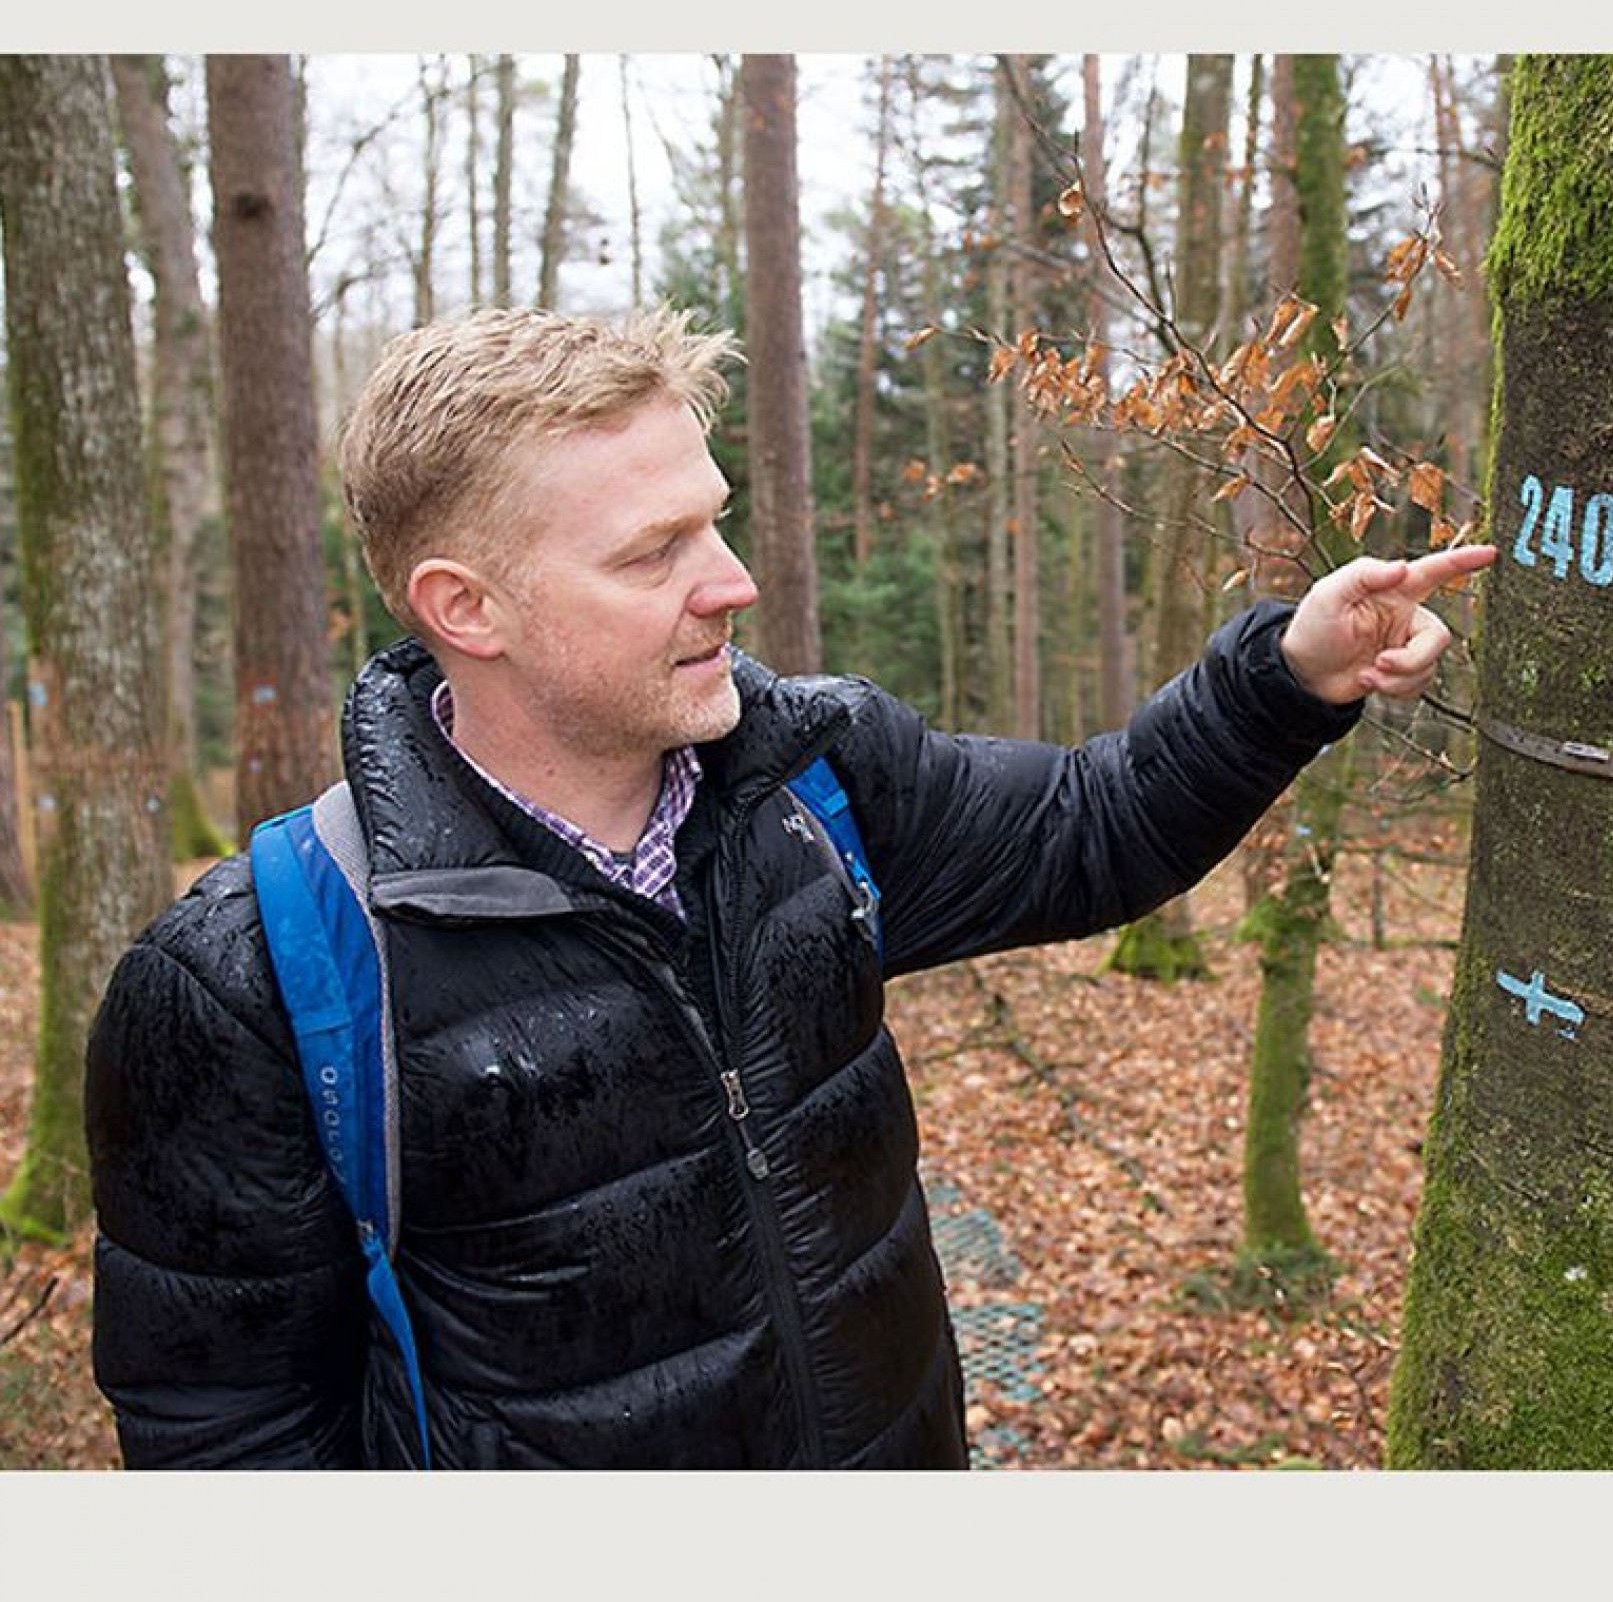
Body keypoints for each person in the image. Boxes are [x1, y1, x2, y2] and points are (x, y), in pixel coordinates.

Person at [85, 304, 1495, 1470]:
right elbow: (227, 1437)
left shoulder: (813, 784)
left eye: (713, 522)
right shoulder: (258, 975)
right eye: (655, 554)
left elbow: (1089, 828)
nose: (735, 582)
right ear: (468, 607)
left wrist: (1290, 674)